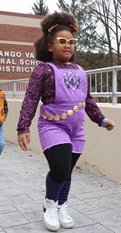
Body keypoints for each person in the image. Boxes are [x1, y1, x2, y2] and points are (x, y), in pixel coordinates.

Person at [17, 11, 115, 232]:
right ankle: (49, 204)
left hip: (76, 129)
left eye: (72, 42)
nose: (68, 45)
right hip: (52, 125)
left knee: (68, 171)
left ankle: (62, 205)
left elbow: (87, 99)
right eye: (62, 41)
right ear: (50, 45)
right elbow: (31, 98)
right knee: (60, 169)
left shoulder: (81, 71)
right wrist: (23, 127)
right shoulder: (43, 69)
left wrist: (101, 119)